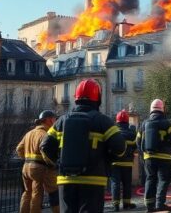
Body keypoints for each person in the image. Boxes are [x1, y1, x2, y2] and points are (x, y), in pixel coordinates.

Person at [41, 79, 127, 212]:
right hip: (93, 181)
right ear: (97, 98)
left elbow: (45, 147)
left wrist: (58, 163)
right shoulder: (103, 121)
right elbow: (120, 148)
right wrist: (106, 161)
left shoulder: (61, 121)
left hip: (66, 181)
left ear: (76, 97)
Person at [137, 99, 171, 212]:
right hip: (163, 158)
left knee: (150, 179)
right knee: (163, 180)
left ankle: (149, 205)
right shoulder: (166, 123)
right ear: (162, 109)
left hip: (148, 158)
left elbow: (137, 141)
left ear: (151, 109)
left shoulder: (144, 123)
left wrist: (143, 154)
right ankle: (160, 204)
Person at [18, 110, 59, 213]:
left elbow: (19, 149)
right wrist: (53, 164)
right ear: (49, 120)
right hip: (39, 168)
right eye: (55, 119)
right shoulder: (45, 134)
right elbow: (45, 151)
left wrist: (28, 158)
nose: (55, 121)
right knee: (39, 194)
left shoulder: (29, 133)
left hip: (26, 168)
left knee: (27, 192)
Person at [111, 110, 138, 211]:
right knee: (127, 183)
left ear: (117, 121)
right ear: (127, 121)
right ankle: (127, 204)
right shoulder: (132, 133)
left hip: (115, 163)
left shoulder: (114, 132)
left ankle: (115, 205)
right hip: (128, 163)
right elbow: (136, 146)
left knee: (115, 183)